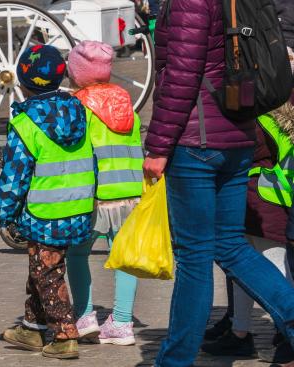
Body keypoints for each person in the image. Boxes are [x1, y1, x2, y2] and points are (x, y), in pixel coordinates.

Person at [143, 0, 294, 364]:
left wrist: (159, 146)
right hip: (238, 134)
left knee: (194, 257)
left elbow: (181, 76)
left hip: (197, 142)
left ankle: (174, 360)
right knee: (230, 246)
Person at [0, 43, 92, 360]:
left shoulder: (25, 123)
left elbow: (15, 174)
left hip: (44, 210)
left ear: (22, 82)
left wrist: (4, 215)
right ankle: (31, 328)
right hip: (77, 206)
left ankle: (64, 335)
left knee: (47, 273)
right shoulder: (78, 112)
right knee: (42, 265)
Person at [200, 92, 294, 357]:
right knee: (243, 271)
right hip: (255, 200)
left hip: (264, 201)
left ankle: (286, 333)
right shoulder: (272, 109)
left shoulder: (261, 116)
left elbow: (250, 151)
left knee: (275, 266)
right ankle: (239, 331)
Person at [64, 40, 144, 346]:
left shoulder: (79, 107)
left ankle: (84, 316)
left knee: (77, 253)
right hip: (130, 192)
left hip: (96, 195)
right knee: (123, 258)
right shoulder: (127, 104)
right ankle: (122, 322)